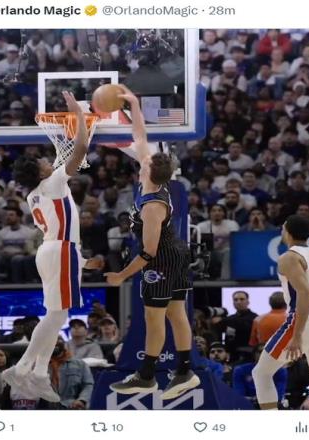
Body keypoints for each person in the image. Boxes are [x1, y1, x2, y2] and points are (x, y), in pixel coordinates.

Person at [1, 91, 103, 403]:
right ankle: (23, 368)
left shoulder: (35, 193)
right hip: (59, 250)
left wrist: (82, 262)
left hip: (55, 250)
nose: (49, 160)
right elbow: (81, 148)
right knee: (56, 316)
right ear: (42, 171)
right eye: (44, 161)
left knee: (57, 315)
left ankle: (39, 372)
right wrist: (79, 115)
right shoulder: (54, 183)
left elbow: (60, 230)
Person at [105, 85, 200, 400]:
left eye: (143, 162)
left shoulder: (152, 206)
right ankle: (185, 372)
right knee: (176, 314)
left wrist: (121, 275)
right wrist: (133, 104)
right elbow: (140, 136)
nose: (140, 160)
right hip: (176, 253)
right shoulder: (154, 179)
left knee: (154, 318)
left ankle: (146, 377)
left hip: (161, 259)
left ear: (147, 170)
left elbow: (148, 251)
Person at [252, 215, 309, 409]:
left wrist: (298, 335)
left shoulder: (289, 257)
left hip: (308, 320)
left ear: (288, 232)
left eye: (283, 227)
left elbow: (305, 292)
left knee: (261, 373)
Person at [212, 291, 258, 362]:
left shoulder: (255, 318)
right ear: (233, 303)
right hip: (232, 355)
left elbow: (244, 325)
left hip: (249, 355)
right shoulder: (229, 319)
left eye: (242, 299)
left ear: (247, 302)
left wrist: (223, 320)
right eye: (235, 300)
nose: (238, 302)